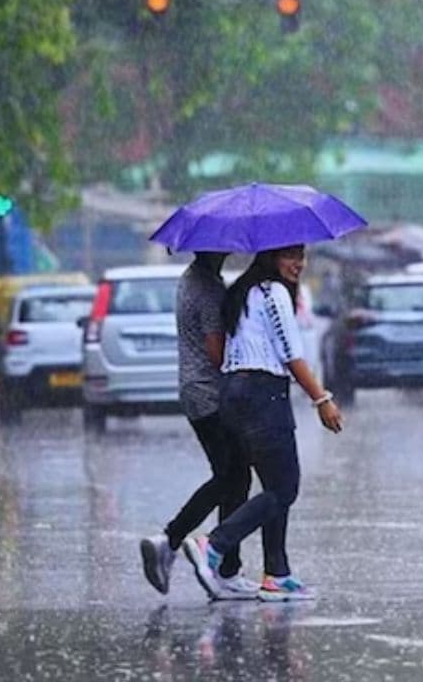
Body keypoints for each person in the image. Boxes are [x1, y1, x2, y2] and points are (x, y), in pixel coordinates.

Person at [183, 244, 343, 603]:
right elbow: (290, 353)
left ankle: (278, 574)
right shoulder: (273, 294)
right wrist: (322, 399)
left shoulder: (243, 291)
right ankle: (214, 544)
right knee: (284, 489)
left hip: (233, 395)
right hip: (262, 394)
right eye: (289, 256)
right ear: (270, 257)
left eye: (301, 256)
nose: (298, 264)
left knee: (273, 487)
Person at [140, 251, 257, 599]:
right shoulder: (207, 289)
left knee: (232, 476)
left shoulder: (193, 279)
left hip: (195, 391)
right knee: (233, 476)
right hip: (210, 394)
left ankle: (212, 559)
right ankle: (203, 555)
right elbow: (217, 352)